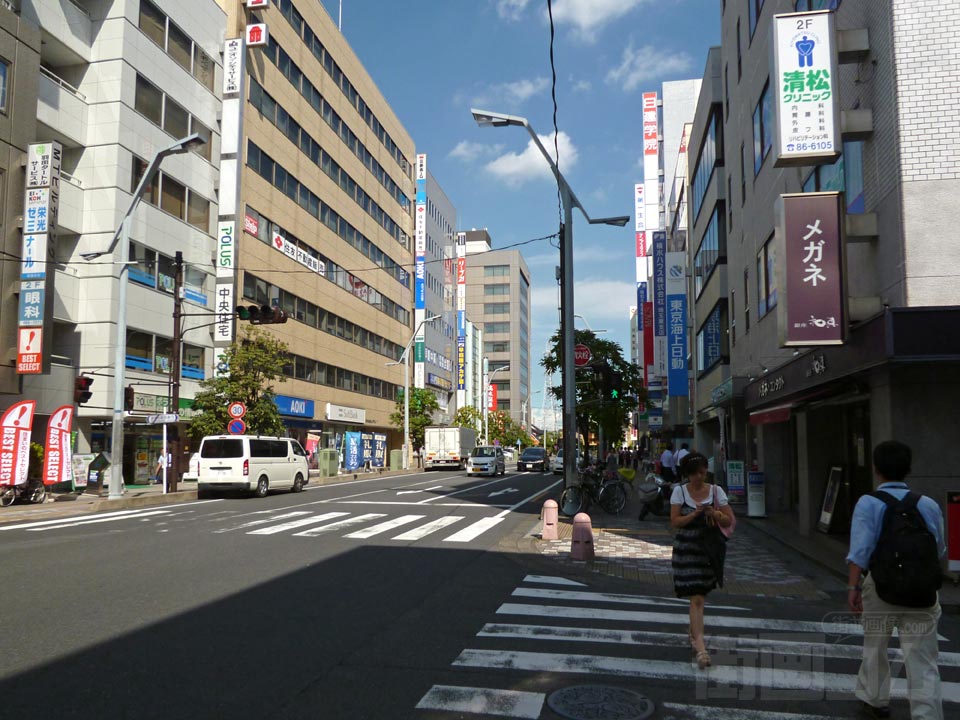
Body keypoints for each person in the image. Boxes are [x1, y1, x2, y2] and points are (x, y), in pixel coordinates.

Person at [846, 441, 945, 720]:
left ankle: (876, 700)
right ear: (908, 469)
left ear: (876, 469)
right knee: (923, 659)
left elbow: (859, 552)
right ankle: (926, 715)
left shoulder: (868, 503)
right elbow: (938, 548)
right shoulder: (927, 504)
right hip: (922, 591)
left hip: (880, 589)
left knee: (875, 646)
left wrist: (853, 587)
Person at [670, 452, 734, 670]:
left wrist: (714, 513)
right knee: (696, 598)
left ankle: (693, 635)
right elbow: (675, 521)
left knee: (698, 597)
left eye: (704, 471)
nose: (702, 476)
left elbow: (729, 520)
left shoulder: (716, 491)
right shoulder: (679, 492)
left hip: (708, 551)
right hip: (686, 550)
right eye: (697, 473)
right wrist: (694, 514)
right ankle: (701, 649)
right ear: (689, 474)